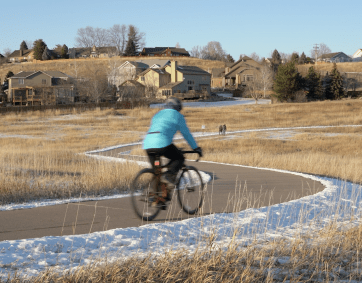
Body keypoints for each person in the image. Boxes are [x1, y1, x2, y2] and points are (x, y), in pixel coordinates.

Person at [143, 97, 202, 186]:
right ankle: (169, 175)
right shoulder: (178, 116)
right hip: (162, 144)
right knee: (179, 158)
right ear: (178, 108)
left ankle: (154, 195)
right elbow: (186, 134)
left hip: (147, 144)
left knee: (157, 172)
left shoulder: (158, 114)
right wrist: (196, 148)